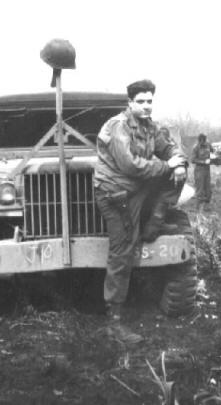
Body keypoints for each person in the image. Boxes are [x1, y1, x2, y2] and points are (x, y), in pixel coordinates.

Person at [94, 79, 187, 341]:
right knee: (122, 251)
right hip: (116, 193)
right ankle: (114, 323)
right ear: (130, 103)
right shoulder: (118, 126)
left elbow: (168, 146)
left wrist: (177, 162)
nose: (147, 106)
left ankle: (152, 225)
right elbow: (131, 166)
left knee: (178, 172)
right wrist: (168, 165)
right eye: (141, 102)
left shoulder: (149, 126)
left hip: (136, 188)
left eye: (150, 101)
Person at [191, 133, 213, 211]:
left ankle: (206, 206)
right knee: (200, 188)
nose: (204, 143)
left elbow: (213, 152)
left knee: (208, 188)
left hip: (207, 170)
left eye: (205, 141)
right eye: (202, 141)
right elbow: (193, 160)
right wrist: (203, 162)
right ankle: (197, 207)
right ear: (199, 141)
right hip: (199, 170)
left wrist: (213, 156)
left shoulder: (208, 145)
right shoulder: (196, 147)